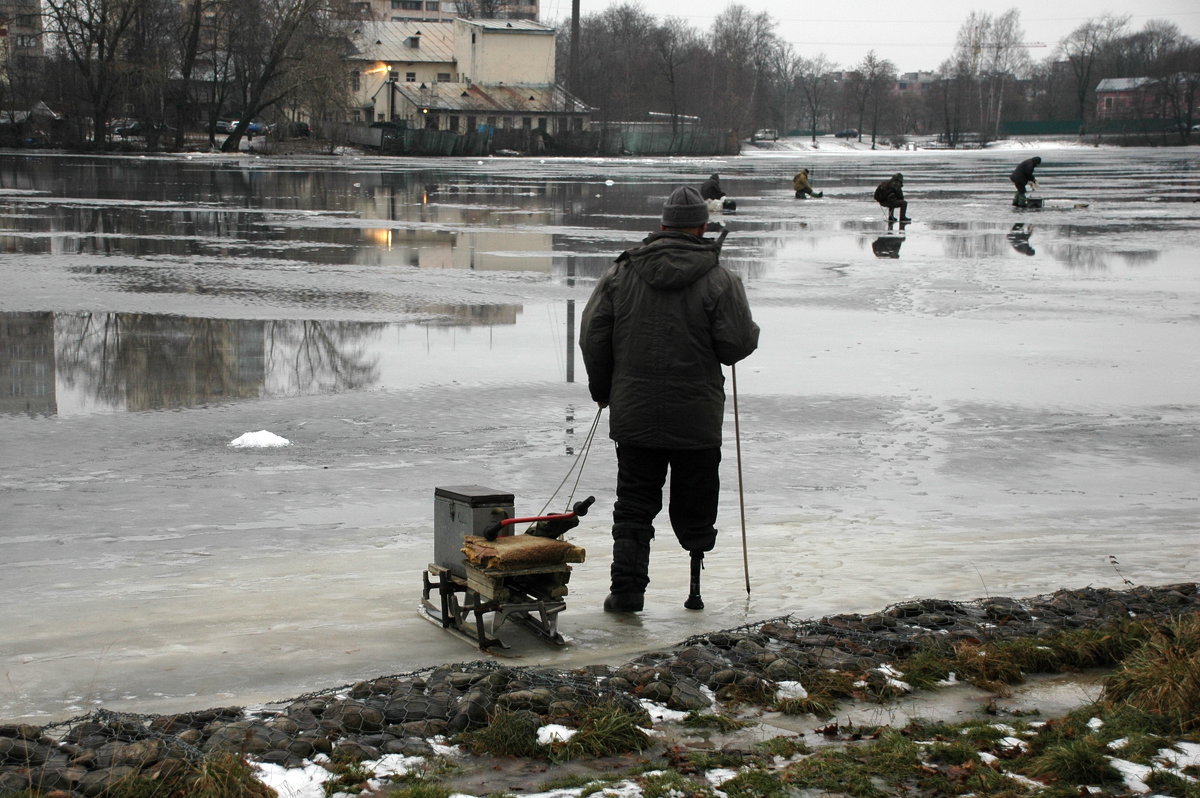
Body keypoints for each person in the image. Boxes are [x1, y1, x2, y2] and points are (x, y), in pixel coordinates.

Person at [580, 186, 760, 613]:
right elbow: (735, 346)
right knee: (696, 502)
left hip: (635, 411)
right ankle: (694, 588)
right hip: (695, 417)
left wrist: (604, 391)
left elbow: (593, 335)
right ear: (702, 227)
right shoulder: (720, 278)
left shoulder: (620, 273)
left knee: (635, 503)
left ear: (661, 225)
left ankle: (626, 591)